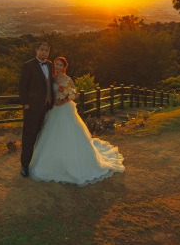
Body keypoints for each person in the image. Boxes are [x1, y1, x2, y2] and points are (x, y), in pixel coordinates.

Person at [29, 57, 125, 186]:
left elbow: (74, 94)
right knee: (51, 134)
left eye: (60, 65)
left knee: (69, 133)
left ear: (64, 67)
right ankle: (51, 162)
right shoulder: (51, 79)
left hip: (65, 109)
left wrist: (64, 100)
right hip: (54, 110)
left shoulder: (68, 79)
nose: (57, 67)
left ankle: (73, 162)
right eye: (56, 64)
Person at [17, 42, 54, 178]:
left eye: (46, 51)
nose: (44, 53)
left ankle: (37, 162)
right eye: (42, 50)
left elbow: (50, 84)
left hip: (46, 107)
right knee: (29, 136)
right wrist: (25, 104)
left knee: (41, 136)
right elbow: (22, 86)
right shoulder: (29, 65)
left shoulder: (49, 65)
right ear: (36, 50)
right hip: (32, 108)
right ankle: (25, 165)